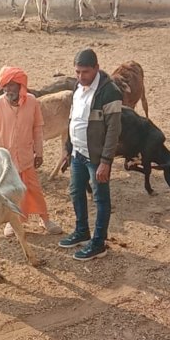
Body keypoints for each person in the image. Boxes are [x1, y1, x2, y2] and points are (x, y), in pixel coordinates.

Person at [0, 66, 61, 236]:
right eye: (5, 86)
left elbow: (37, 129)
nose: (8, 89)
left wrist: (39, 153)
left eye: (12, 85)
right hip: (4, 161)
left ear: (20, 86)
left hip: (25, 157)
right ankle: (13, 222)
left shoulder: (32, 102)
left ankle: (45, 220)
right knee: (8, 193)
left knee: (34, 189)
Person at [58, 48, 122, 261]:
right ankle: (82, 231)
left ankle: (99, 243)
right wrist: (68, 148)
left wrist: (106, 162)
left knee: (100, 198)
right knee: (76, 192)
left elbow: (114, 129)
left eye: (85, 72)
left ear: (96, 67)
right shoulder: (78, 86)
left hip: (96, 158)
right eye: (77, 72)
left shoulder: (109, 91)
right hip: (78, 154)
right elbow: (73, 120)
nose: (80, 76)